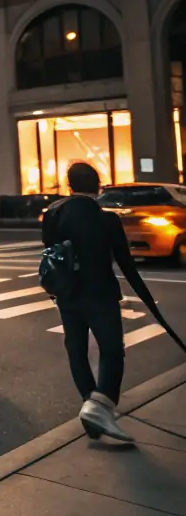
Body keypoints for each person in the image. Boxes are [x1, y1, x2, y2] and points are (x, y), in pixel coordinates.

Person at [42, 161, 158, 443]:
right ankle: (100, 406)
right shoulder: (107, 219)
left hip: (68, 295)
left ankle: (90, 407)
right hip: (101, 295)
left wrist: (55, 292)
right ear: (97, 186)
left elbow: (51, 257)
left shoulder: (53, 216)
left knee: (76, 348)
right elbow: (126, 265)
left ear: (69, 185)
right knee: (112, 351)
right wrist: (149, 300)